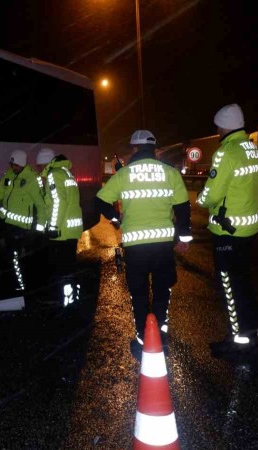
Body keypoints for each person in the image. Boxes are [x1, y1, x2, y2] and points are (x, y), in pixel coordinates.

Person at [95, 130, 192, 361]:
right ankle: (159, 332)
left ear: (135, 149)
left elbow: (100, 199)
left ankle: (142, 337)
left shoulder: (124, 174)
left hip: (136, 246)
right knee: (162, 288)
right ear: (154, 149)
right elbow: (183, 208)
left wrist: (116, 218)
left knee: (138, 292)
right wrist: (184, 238)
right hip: (162, 245)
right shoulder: (170, 173)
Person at [196, 103, 258, 358]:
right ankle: (250, 330)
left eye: (217, 126)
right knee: (243, 282)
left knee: (229, 285)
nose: (217, 130)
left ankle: (238, 339)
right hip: (248, 229)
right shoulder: (252, 149)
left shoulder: (226, 152)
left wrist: (200, 201)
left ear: (223, 126)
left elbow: (213, 193)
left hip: (228, 231)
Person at [0, 150, 48, 292]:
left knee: (14, 256)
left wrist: (39, 229)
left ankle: (20, 286)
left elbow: (41, 206)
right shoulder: (9, 176)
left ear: (23, 164)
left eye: (16, 165)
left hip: (20, 226)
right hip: (3, 220)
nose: (14, 168)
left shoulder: (32, 180)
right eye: (12, 164)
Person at [35, 147, 83, 307]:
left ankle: (59, 300)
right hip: (71, 230)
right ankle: (71, 300)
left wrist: (53, 227)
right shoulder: (66, 172)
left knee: (59, 268)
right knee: (69, 268)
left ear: (44, 163)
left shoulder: (54, 174)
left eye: (39, 165)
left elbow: (58, 202)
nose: (38, 169)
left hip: (61, 231)